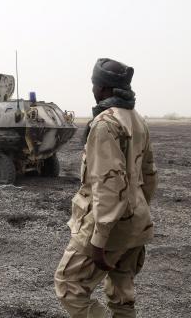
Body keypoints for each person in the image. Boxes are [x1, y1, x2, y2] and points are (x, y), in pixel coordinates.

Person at [54, 58, 158, 318]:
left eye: (94, 84)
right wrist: (135, 213)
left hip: (107, 228)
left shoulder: (105, 124)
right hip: (135, 223)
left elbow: (109, 186)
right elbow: (150, 175)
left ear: (103, 88)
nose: (93, 89)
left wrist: (99, 240)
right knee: (122, 296)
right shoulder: (137, 120)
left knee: (69, 284)